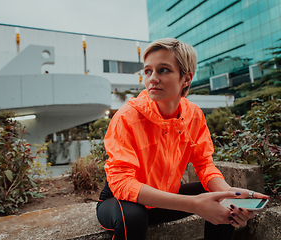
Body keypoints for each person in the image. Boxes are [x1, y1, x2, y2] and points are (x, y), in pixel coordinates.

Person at [96, 38, 269, 240]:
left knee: (222, 200)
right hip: (122, 201)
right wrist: (193, 204)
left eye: (163, 70)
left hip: (165, 199)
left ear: (186, 78)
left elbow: (204, 165)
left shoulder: (194, 115)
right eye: (148, 71)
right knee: (133, 217)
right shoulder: (127, 117)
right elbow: (122, 182)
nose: (152, 78)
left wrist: (230, 195)